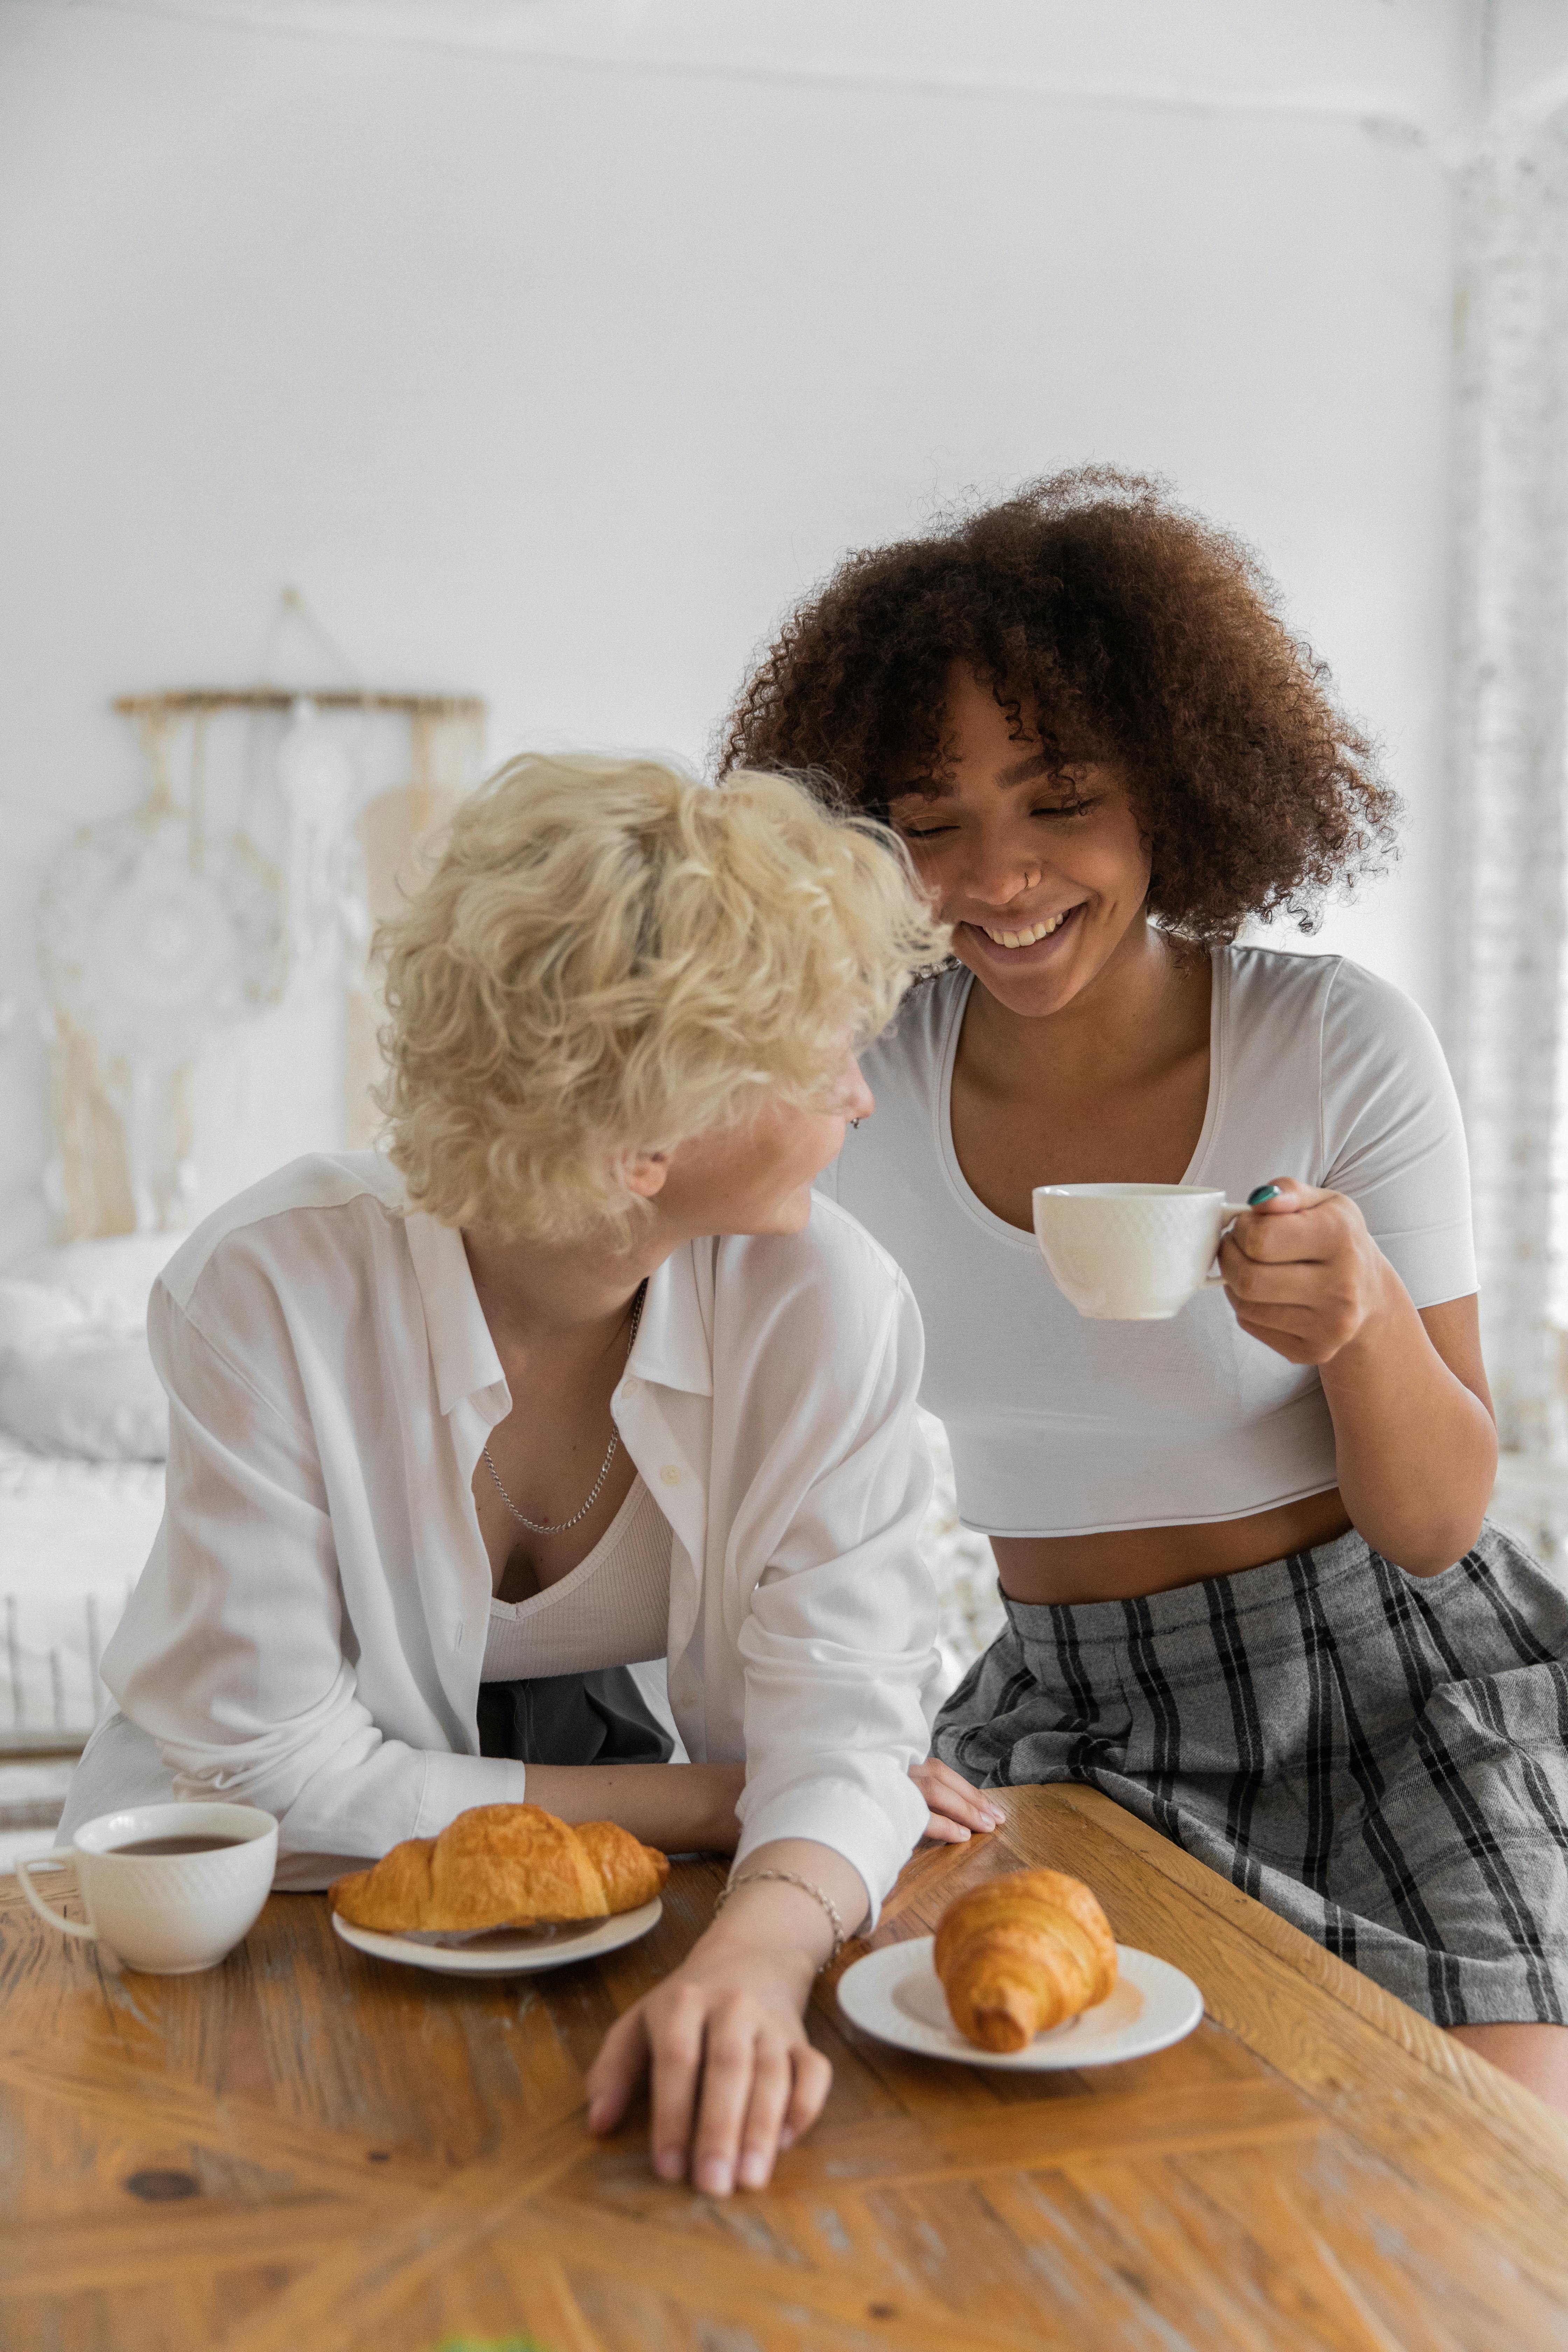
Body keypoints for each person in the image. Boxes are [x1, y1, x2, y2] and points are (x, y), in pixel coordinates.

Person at [722, 468, 1568, 2114]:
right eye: (929, 819)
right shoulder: (847, 1081)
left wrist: (1364, 1318)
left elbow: (1440, 1520)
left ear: (1179, 783)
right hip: (1070, 1703)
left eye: (1059, 800)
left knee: (1499, 2170)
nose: (1000, 876)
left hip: (1392, 1688)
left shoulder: (1331, 1043)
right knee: (990, 2126)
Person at [63, 753, 996, 2192]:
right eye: (821, 1063)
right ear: (647, 1139)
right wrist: (718, 1801)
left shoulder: (830, 1306)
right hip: (230, 1924)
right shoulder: (273, 1290)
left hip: (620, 1919)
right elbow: (274, 1778)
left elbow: (850, 1733)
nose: (861, 1101)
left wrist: (752, 1963)